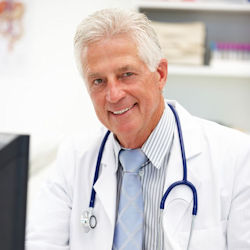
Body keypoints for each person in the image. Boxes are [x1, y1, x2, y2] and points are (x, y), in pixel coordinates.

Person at [25, 8, 250, 250]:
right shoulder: (75, 157)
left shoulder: (237, 156)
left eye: (126, 74)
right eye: (98, 81)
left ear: (160, 74)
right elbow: (41, 243)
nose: (113, 95)